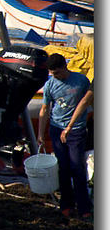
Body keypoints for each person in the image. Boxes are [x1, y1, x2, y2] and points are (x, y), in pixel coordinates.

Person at [37, 53, 92, 218]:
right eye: (52, 74)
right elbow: (45, 109)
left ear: (65, 67)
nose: (56, 77)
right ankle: (66, 205)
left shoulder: (81, 81)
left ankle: (84, 207)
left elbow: (87, 102)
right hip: (56, 129)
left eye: (58, 73)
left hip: (76, 130)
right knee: (63, 168)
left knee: (77, 167)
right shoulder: (50, 85)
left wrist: (71, 127)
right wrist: (40, 133)